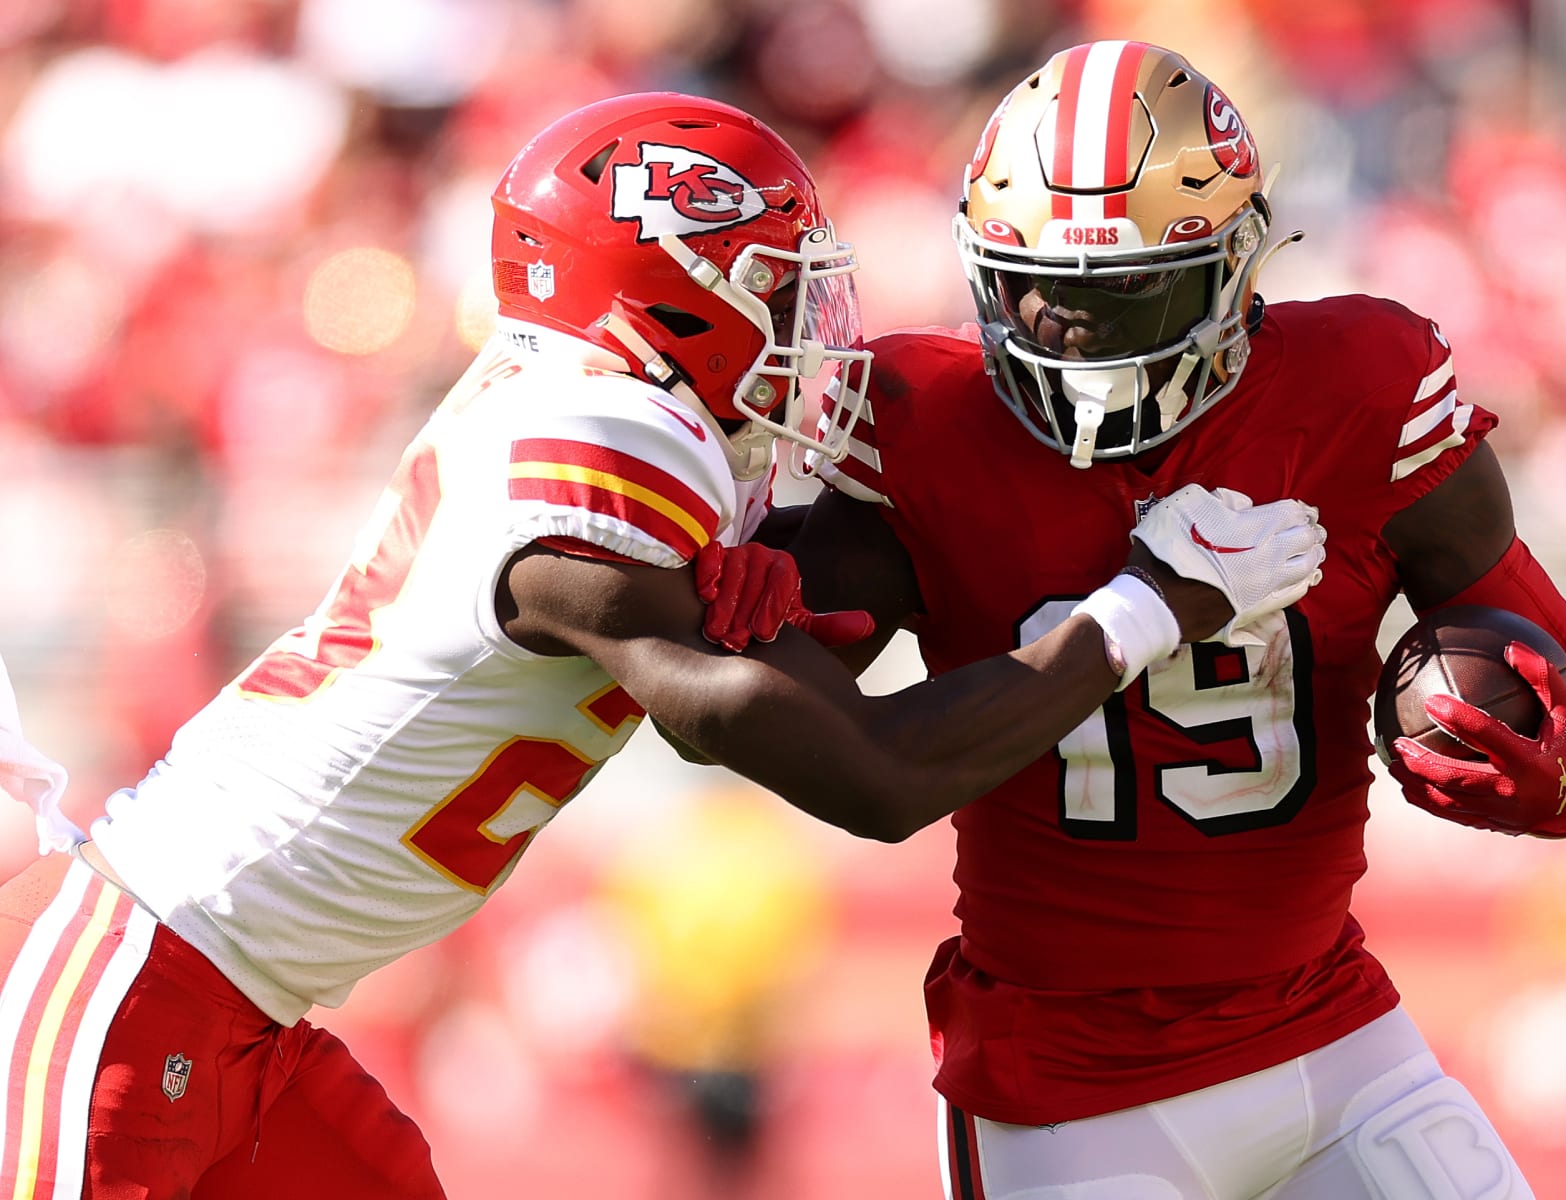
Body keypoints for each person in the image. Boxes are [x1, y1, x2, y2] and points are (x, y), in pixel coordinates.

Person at [0, 93, 1328, 1197]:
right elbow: (870, 776)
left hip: (242, 1008)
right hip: (137, 978)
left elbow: (781, 683)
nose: (812, 325)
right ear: (663, 294)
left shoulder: (602, 421)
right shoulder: (609, 438)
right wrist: (1147, 609)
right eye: (775, 287)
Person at [758, 41, 1566, 1199]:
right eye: (1030, 279)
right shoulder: (925, 419)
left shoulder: (1359, 388)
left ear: (1235, 265)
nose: (1064, 324)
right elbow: (826, 731)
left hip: (1330, 1031)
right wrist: (734, 595)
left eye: (1122, 285)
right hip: (1066, 1088)